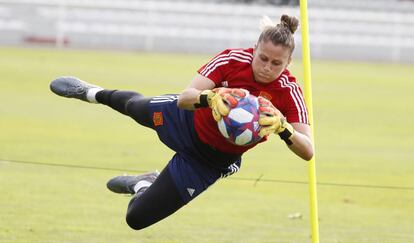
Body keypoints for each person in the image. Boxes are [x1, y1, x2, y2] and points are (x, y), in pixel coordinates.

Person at [50, 14, 313, 230]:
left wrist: (283, 127)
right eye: (263, 58)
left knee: (136, 218)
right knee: (133, 106)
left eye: (276, 63)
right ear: (254, 49)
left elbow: (308, 151)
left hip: (207, 162)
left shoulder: (289, 91)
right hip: (185, 120)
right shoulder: (232, 59)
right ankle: (90, 92)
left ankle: (143, 183)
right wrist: (212, 97)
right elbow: (185, 98)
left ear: (289, 62)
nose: (267, 67)